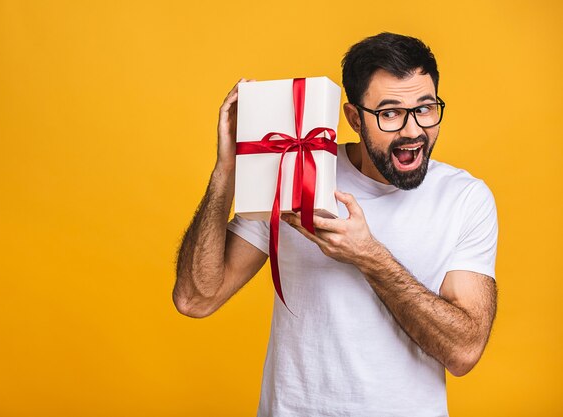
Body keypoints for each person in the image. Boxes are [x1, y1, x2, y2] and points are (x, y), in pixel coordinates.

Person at [173, 32, 498, 417]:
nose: (412, 131)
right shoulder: (296, 175)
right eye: (390, 113)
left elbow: (463, 351)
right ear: (355, 119)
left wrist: (369, 256)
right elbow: (195, 298)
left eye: (425, 108)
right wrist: (226, 170)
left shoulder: (465, 198)